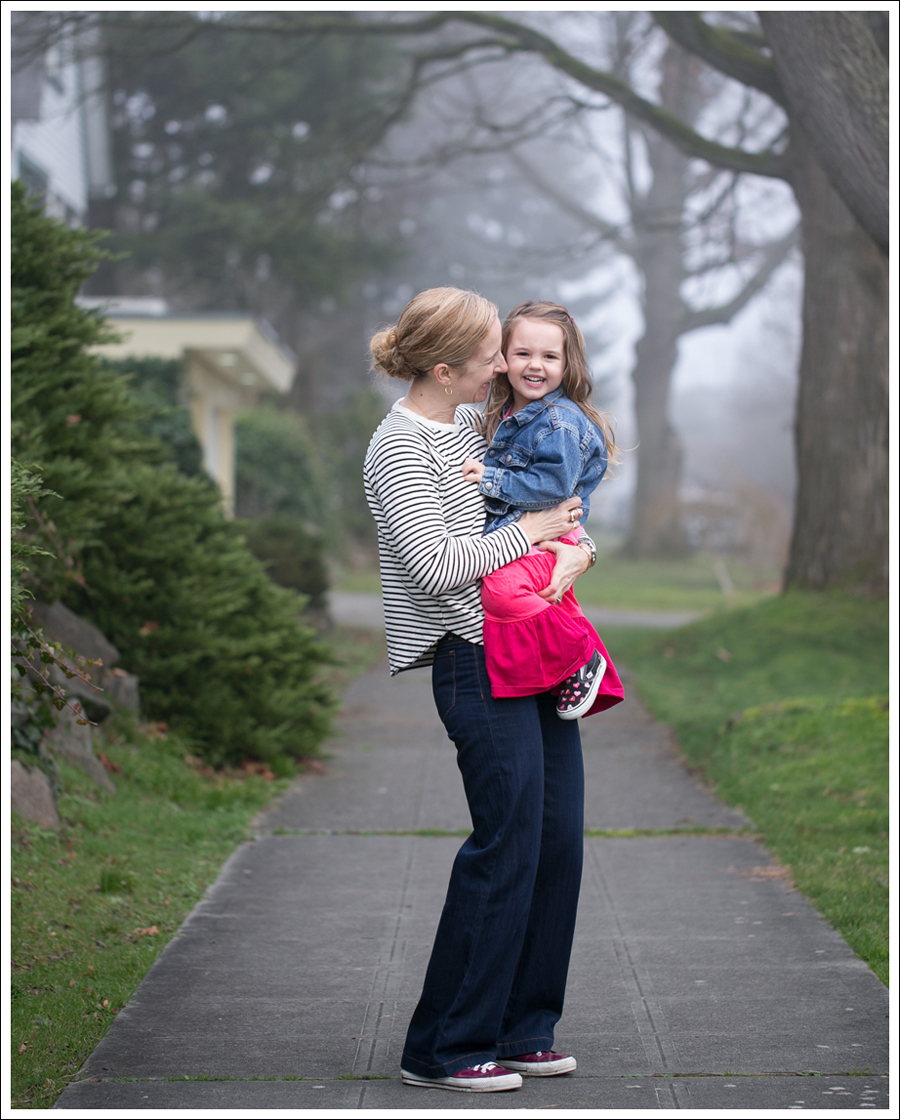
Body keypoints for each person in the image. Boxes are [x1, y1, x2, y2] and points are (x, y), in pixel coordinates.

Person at [364, 287, 597, 1094]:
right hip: (473, 657)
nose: (505, 363)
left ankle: (525, 1027)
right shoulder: (401, 446)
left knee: (557, 840)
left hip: (533, 645)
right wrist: (531, 533)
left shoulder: (477, 426)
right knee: (507, 843)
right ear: (445, 367)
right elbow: (437, 566)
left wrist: (578, 547)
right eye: (493, 351)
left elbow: (558, 502)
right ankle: (443, 1046)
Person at [461, 300, 624, 720]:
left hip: (548, 535)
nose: (535, 365)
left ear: (567, 366)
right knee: (550, 600)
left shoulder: (559, 423)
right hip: (533, 535)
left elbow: (553, 488)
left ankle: (581, 657)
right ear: (503, 359)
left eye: (550, 357)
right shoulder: (507, 415)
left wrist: (490, 479)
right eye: (523, 353)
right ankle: (557, 670)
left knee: (501, 592)